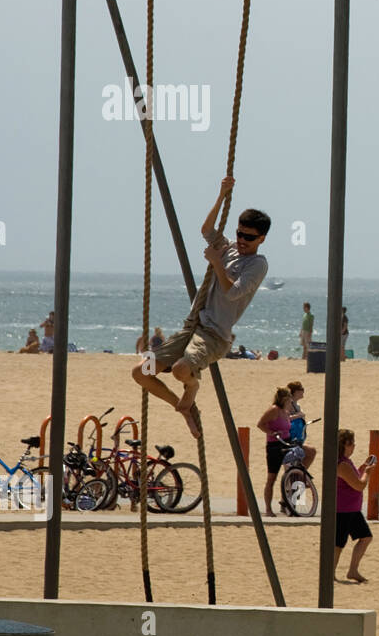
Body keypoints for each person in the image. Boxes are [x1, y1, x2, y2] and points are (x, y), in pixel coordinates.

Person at [130, 178, 268, 439]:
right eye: (239, 233)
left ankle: (192, 386)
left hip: (214, 335)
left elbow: (233, 291)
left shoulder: (257, 264)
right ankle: (184, 408)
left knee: (182, 370)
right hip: (191, 326)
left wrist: (216, 263)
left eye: (249, 237)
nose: (241, 240)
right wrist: (221, 194)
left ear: (261, 239)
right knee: (141, 372)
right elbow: (206, 228)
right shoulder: (227, 248)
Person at [258, 386, 317, 516]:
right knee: (271, 479)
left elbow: (289, 422)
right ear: (285, 399)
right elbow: (260, 424)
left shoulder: (286, 410)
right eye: (289, 400)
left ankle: (294, 501)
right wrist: (272, 433)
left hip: (288, 443)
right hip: (275, 446)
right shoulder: (274, 410)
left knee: (304, 458)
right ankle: (269, 509)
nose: (290, 402)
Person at [334, 429, 376, 583]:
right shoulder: (342, 464)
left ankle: (353, 570)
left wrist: (363, 469)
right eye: (351, 443)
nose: (354, 446)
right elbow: (359, 485)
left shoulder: (345, 461)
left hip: (352, 508)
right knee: (338, 544)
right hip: (343, 509)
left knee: (365, 537)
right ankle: (330, 573)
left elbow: (353, 478)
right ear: (344, 445)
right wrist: (368, 473)